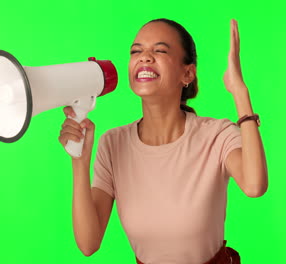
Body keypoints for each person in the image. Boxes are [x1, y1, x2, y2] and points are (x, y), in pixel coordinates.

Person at [58, 18, 268, 264]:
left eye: (159, 51)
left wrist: (239, 91)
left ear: (187, 73)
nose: (144, 57)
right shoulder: (113, 144)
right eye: (136, 51)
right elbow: (88, 243)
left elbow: (255, 186)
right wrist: (80, 162)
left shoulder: (217, 135)